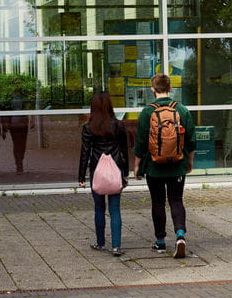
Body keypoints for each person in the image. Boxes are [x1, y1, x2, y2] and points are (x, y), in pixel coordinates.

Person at [133, 73, 196, 258]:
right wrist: (189, 162)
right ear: (170, 89)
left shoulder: (147, 112)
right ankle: (180, 234)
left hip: (154, 166)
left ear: (153, 89)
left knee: (157, 202)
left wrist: (137, 165)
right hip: (178, 164)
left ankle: (160, 242)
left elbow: (141, 142)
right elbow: (191, 140)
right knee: (176, 200)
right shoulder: (182, 110)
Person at [78, 91, 129, 257]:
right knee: (115, 209)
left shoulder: (88, 127)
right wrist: (125, 173)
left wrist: (81, 177)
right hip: (116, 170)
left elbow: (84, 152)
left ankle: (101, 243)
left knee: (99, 208)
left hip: (97, 171)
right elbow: (124, 151)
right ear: (109, 105)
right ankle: (116, 246)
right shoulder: (119, 125)